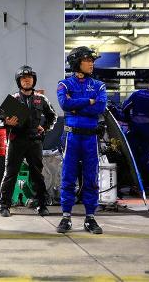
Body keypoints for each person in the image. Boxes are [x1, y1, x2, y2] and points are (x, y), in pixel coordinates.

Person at [57, 46, 107, 234]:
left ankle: (90, 218)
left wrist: (77, 105)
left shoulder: (99, 85)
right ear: (77, 62)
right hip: (71, 137)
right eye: (87, 60)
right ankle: (66, 217)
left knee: (91, 178)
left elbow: (100, 107)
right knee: (68, 177)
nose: (91, 63)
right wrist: (89, 100)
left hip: (91, 138)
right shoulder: (64, 84)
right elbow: (65, 104)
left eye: (92, 60)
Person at [0, 65, 57, 218]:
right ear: (19, 81)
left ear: (33, 80)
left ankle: (41, 205)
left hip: (34, 141)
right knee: (10, 174)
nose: (27, 80)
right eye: (24, 78)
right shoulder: (13, 98)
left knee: (37, 174)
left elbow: (53, 116)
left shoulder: (41, 99)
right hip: (16, 140)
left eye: (29, 78)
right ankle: (4, 206)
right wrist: (6, 123)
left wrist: (45, 127)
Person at [122, 80, 149, 189]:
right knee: (145, 155)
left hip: (134, 129)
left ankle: (133, 183)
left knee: (132, 155)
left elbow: (125, 107)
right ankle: (143, 184)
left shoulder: (137, 93)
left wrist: (128, 119)